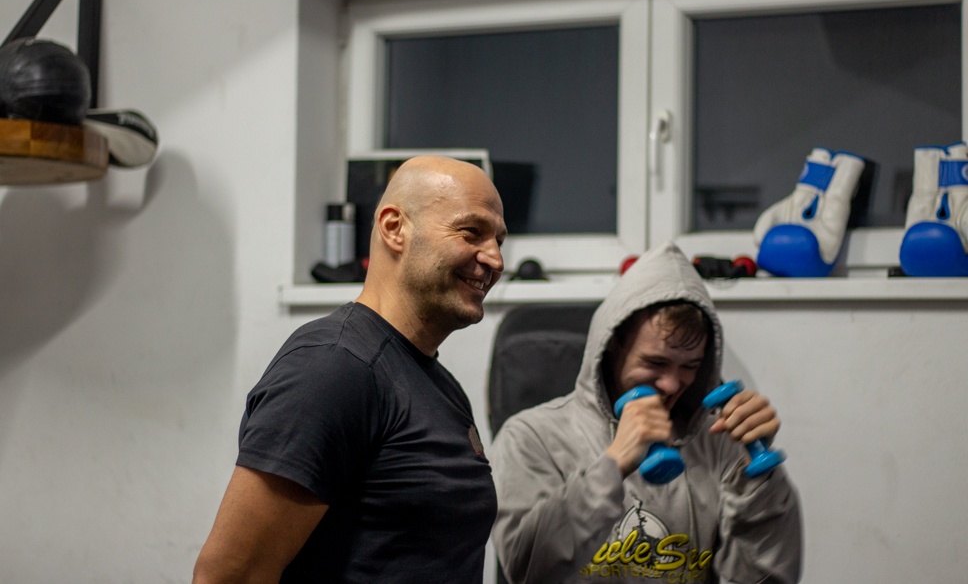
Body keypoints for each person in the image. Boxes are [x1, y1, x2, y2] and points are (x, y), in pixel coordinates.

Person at [193, 155, 507, 583]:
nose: (495, 260)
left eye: (499, 241)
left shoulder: (439, 384)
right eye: (471, 232)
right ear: (394, 228)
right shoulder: (334, 366)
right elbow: (230, 576)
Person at [490, 241, 802, 584]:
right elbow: (527, 570)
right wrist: (612, 466)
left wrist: (759, 482)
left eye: (690, 366)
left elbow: (766, 578)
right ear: (612, 347)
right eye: (655, 362)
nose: (672, 383)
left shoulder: (719, 440)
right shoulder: (530, 438)